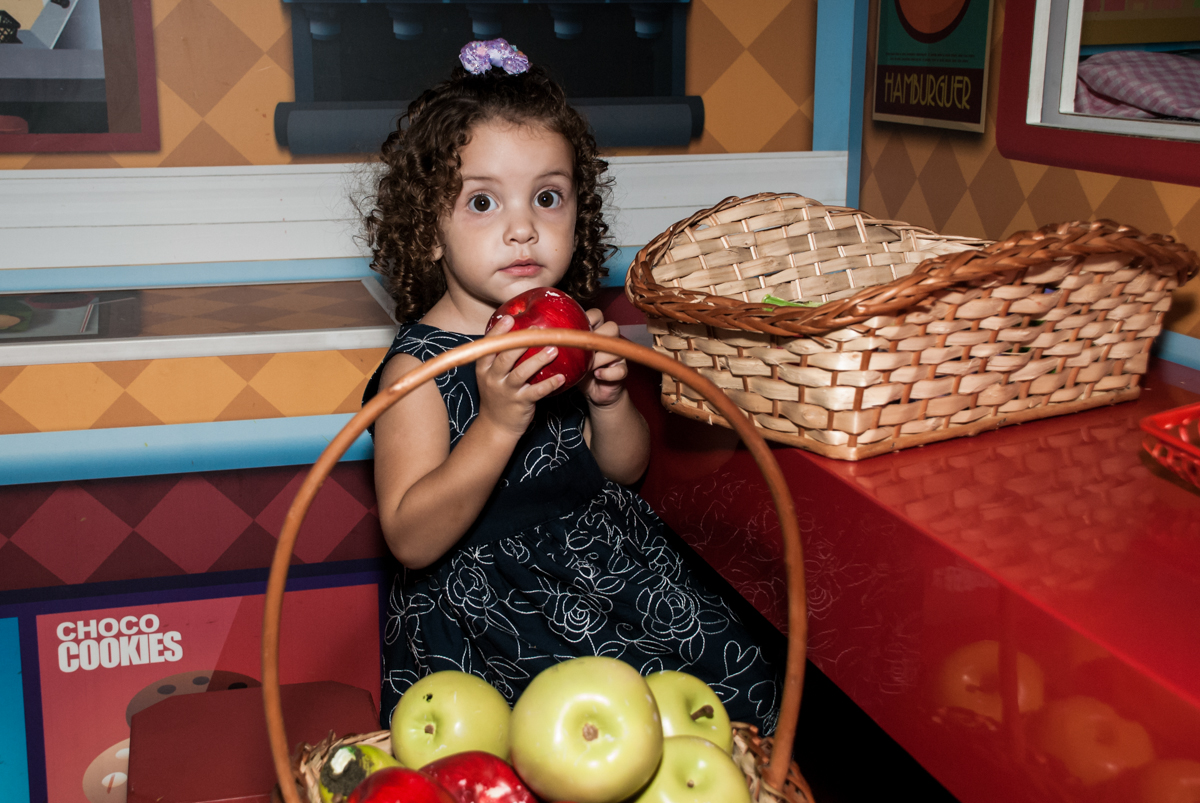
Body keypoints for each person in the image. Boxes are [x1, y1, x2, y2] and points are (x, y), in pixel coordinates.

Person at [361, 38, 780, 734]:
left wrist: (608, 402)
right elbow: (409, 537)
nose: (523, 228)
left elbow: (626, 468)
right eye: (483, 202)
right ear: (428, 229)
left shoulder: (572, 330)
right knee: (540, 748)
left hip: (603, 571)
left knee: (729, 689)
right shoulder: (418, 368)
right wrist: (496, 423)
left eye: (548, 197)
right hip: (486, 610)